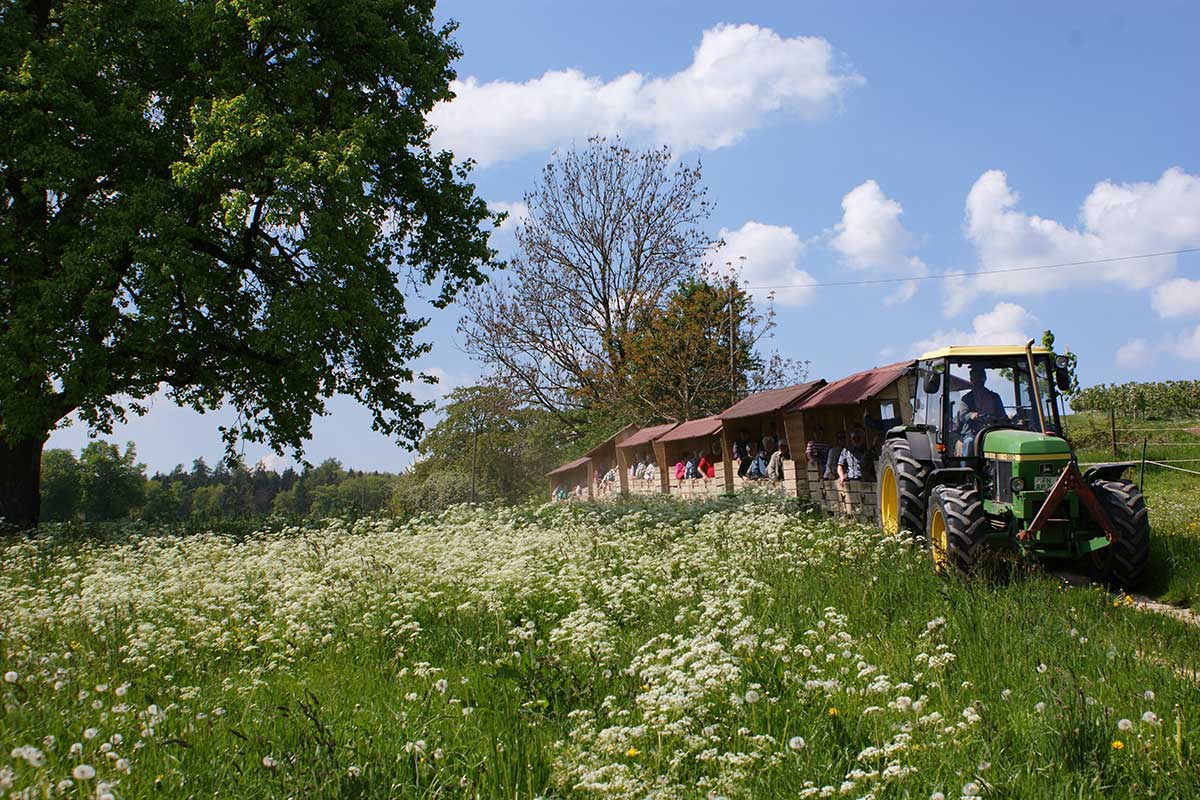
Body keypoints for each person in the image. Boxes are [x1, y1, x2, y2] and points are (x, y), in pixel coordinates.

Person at [957, 365, 1006, 455]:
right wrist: (971, 415)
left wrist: (997, 419)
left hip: (993, 430)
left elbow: (1003, 416)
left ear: (985, 378)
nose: (978, 380)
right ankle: (967, 468)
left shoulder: (994, 397)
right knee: (969, 442)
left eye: (980, 377)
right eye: (976, 378)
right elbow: (963, 416)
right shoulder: (967, 398)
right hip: (973, 433)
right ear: (971, 379)